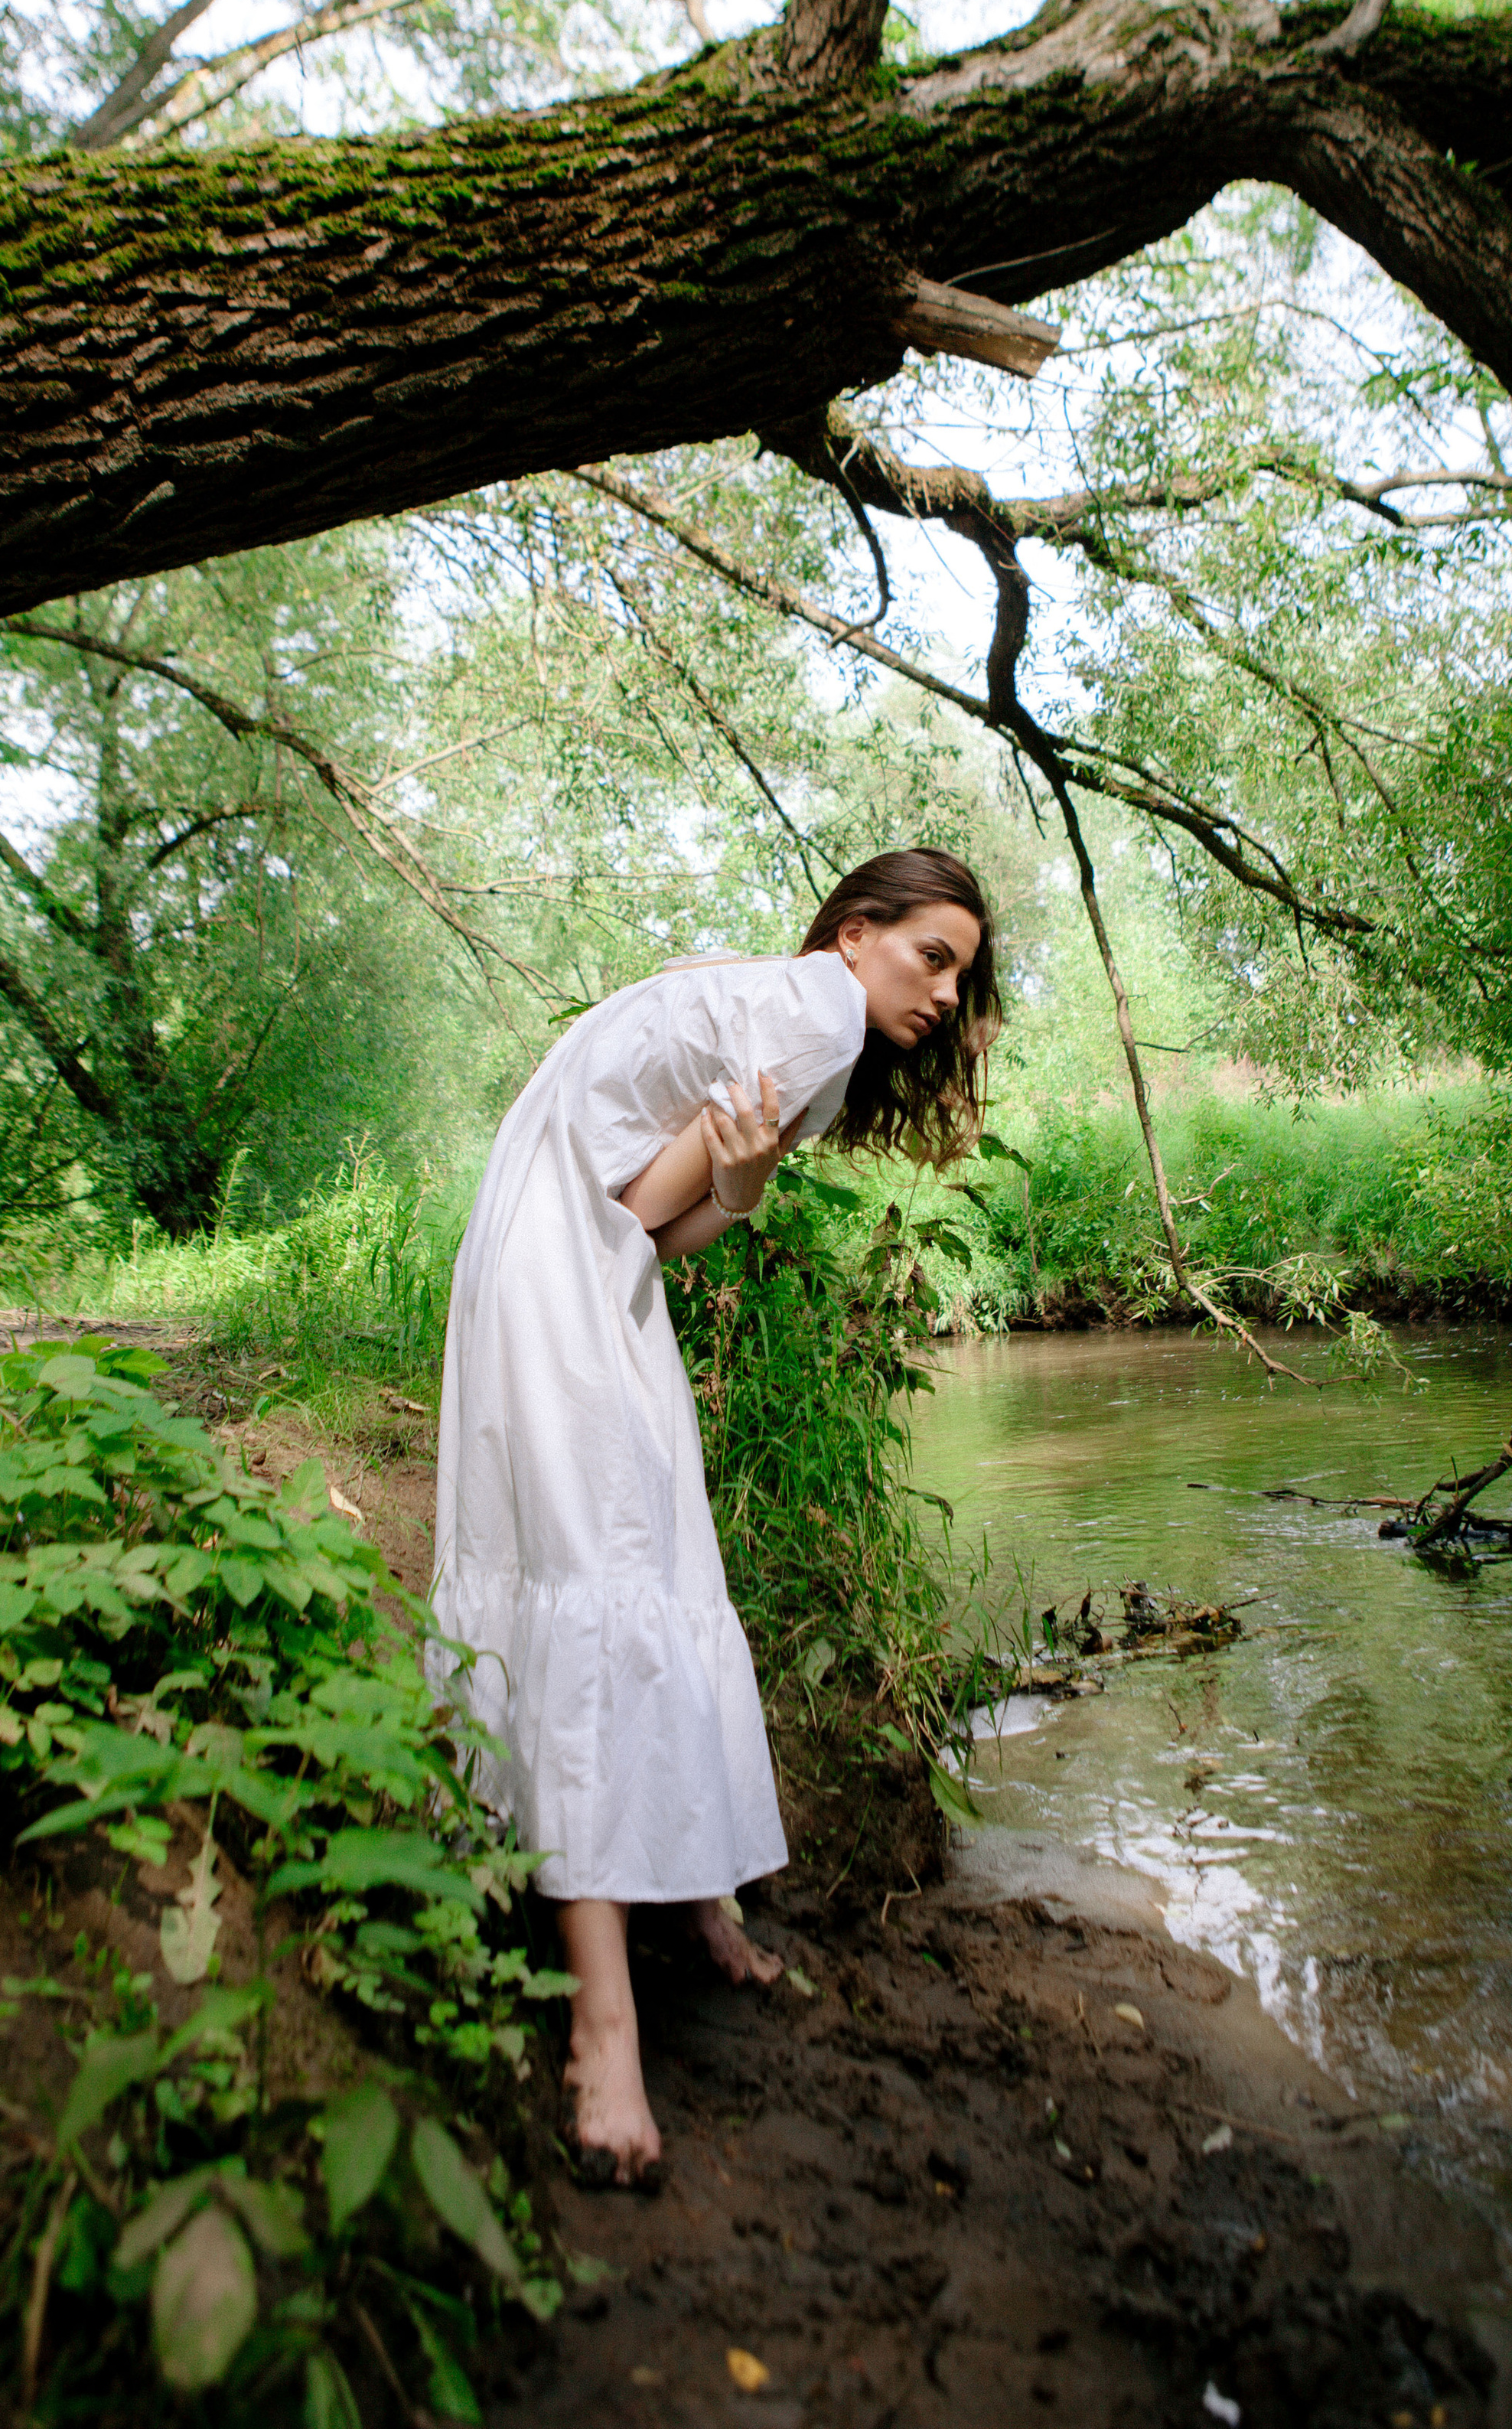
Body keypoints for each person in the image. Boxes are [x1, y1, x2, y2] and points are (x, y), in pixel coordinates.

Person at [429, 848, 1001, 2182]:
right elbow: (641, 1211)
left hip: (561, 1256)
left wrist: (738, 1187)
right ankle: (603, 2029)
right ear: (858, 935)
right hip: (565, 1265)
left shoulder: (783, 1002)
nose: (947, 996)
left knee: (655, 1552)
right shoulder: (809, 1016)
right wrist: (730, 1187)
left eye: (963, 976)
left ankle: (690, 1893)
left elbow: (669, 1224)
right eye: (933, 956)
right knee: (604, 1568)